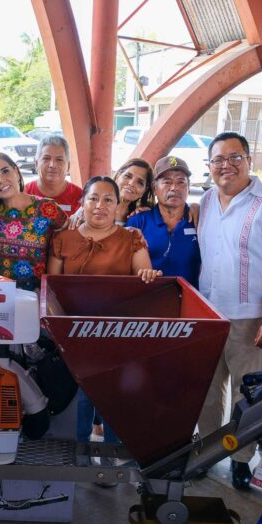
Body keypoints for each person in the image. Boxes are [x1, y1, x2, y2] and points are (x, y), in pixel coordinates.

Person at [196, 132, 262, 490]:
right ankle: (209, 452)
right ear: (209, 166)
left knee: (246, 394)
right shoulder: (207, 200)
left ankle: (241, 458)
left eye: (235, 157)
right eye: (218, 159)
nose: (226, 165)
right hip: (209, 314)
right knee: (207, 393)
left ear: (249, 160)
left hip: (252, 317)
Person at [48, 176, 161, 446]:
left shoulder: (131, 238)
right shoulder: (62, 238)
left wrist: (147, 274)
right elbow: (52, 286)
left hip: (117, 331)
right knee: (80, 393)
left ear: (117, 204)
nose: (100, 205)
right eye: (94, 198)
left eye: (108, 199)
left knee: (112, 393)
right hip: (74, 332)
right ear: (82, 203)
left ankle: (111, 458)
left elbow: (144, 276)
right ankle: (78, 453)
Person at [0, 151, 67, 291]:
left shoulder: (47, 209)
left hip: (33, 300)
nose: (1, 180)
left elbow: (71, 235)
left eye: (5, 171)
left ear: (17, 172)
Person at [126, 155, 201, 287]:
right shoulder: (137, 221)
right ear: (154, 189)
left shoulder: (199, 219)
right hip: (148, 300)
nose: (174, 188)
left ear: (188, 188)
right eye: (167, 182)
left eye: (181, 182)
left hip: (191, 300)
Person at [23, 135, 83, 213]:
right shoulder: (24, 193)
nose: (52, 165)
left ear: (68, 166)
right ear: (37, 164)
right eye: (46, 158)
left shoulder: (80, 198)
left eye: (59, 159)